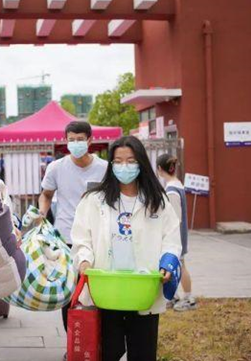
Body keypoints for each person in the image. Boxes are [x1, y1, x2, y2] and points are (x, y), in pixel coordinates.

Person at [71, 136, 182, 361]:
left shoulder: (157, 201)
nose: (124, 166)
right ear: (111, 165)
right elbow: (82, 238)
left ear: (141, 163)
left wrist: (167, 262)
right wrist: (84, 260)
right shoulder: (94, 200)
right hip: (107, 290)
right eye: (118, 161)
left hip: (142, 291)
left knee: (143, 353)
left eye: (131, 161)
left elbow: (171, 238)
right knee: (108, 352)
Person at [38, 121, 108, 341]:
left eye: (80, 139)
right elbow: (46, 195)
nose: (75, 143)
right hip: (66, 238)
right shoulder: (56, 167)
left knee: (97, 292)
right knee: (70, 294)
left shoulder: (105, 168)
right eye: (71, 139)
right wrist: (42, 213)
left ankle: (99, 342)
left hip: (98, 238)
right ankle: (74, 344)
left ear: (90, 140)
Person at [157, 154, 196, 311]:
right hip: (179, 234)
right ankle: (175, 296)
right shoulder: (177, 184)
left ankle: (189, 298)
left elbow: (174, 218)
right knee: (177, 264)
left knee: (181, 265)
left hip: (176, 236)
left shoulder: (171, 190)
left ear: (159, 169)